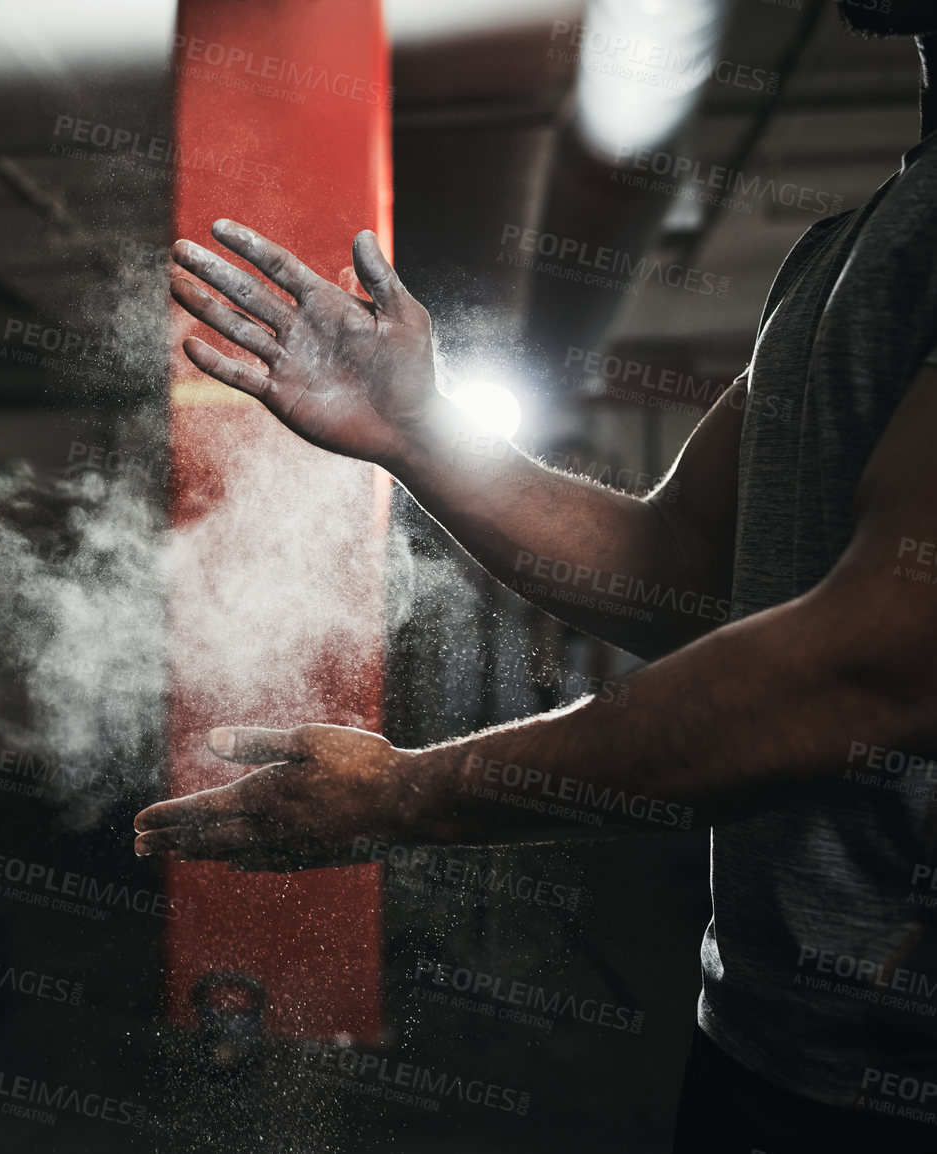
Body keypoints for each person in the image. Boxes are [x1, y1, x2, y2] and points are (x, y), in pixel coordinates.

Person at [133, 6, 937, 1150]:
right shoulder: (849, 247)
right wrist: (420, 432)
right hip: (772, 1044)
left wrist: (403, 794)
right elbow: (683, 570)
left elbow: (871, 666)